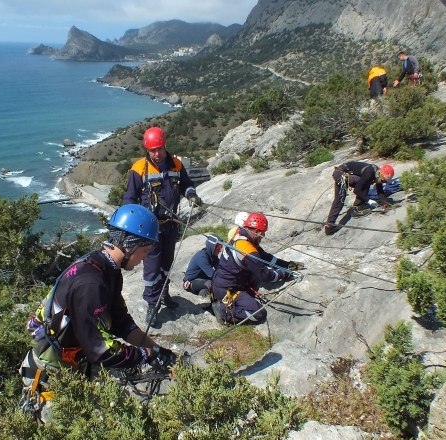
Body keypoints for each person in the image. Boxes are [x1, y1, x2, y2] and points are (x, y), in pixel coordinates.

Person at [21, 204, 178, 420]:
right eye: (145, 250)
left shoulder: (106, 269)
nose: (145, 258)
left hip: (72, 362)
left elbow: (121, 322)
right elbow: (99, 349)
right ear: (130, 244)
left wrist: (156, 349)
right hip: (52, 373)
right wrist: (144, 356)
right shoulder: (91, 283)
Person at [122, 126, 202, 328]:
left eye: (159, 149)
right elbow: (130, 198)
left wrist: (191, 195)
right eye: (152, 150)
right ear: (147, 150)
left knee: (167, 263)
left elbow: (186, 184)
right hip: (150, 229)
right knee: (152, 268)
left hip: (171, 226)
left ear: (164, 146)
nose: (156, 154)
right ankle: (151, 304)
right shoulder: (139, 169)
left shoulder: (176, 165)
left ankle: (164, 294)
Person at [210, 212, 304, 325]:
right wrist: (284, 273)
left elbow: (265, 257)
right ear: (255, 232)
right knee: (258, 314)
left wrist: (287, 264)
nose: (263, 236)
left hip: (226, 281)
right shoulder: (245, 248)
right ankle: (224, 313)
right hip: (227, 289)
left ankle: (233, 300)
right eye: (262, 233)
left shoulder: (240, 234)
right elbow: (266, 275)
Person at [324, 162, 394, 236]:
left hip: (339, 173)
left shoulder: (377, 174)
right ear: (380, 175)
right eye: (383, 181)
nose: (383, 182)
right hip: (341, 174)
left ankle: (329, 227)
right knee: (364, 184)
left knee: (339, 201)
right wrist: (369, 200)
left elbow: (380, 191)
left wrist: (385, 203)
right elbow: (357, 190)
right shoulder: (370, 172)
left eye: (385, 181)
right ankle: (357, 209)